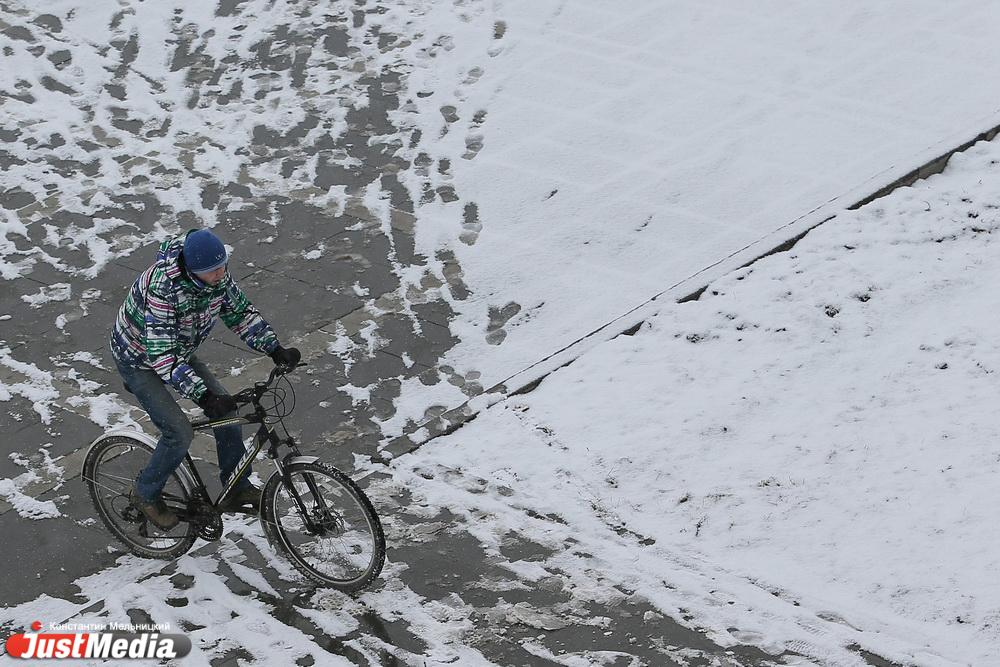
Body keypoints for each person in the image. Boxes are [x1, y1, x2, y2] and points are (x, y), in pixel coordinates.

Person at [109, 228, 301, 530]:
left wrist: (274, 348)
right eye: (213, 270)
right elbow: (162, 356)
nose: (221, 274)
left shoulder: (216, 277)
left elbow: (239, 313)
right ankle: (145, 493)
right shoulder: (162, 288)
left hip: (178, 349)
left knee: (229, 412)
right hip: (140, 359)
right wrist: (203, 396)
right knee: (179, 433)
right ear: (193, 271)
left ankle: (236, 488)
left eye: (223, 265)